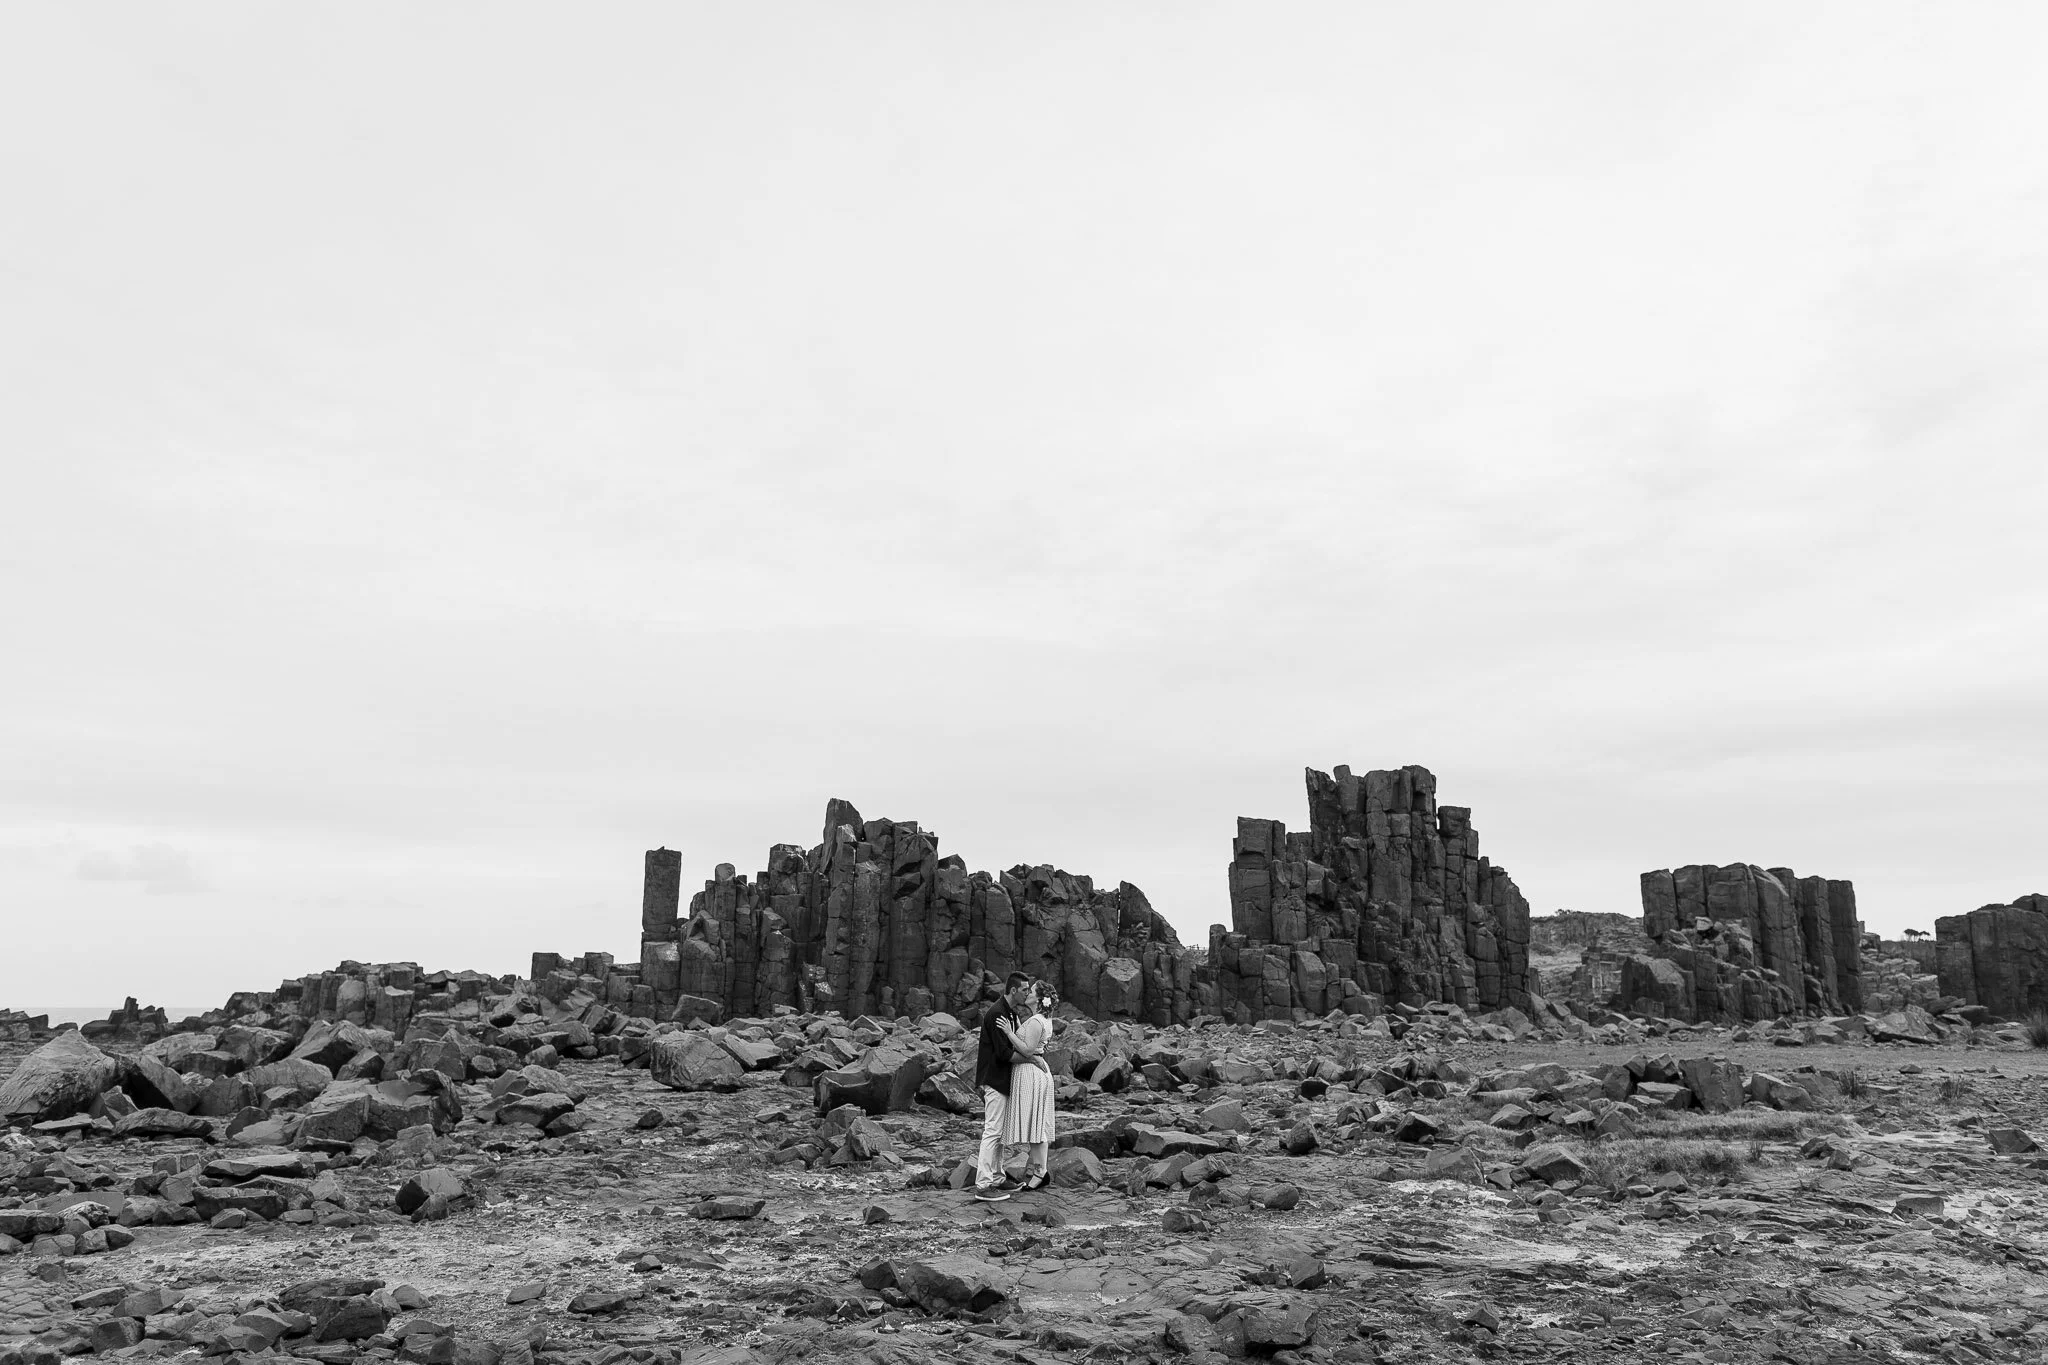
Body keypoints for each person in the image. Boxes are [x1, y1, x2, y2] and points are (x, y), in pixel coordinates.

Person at [971, 973, 1037, 1201]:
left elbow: (1017, 1040)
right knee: (992, 1131)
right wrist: (1032, 1059)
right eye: (1025, 989)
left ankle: (997, 1178)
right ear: (1013, 991)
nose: (1028, 993)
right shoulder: (997, 1013)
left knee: (999, 1133)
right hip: (995, 1079)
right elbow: (1004, 1053)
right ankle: (982, 1184)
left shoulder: (1010, 1012)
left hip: (1003, 1081)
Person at [999, 982, 1056, 1189]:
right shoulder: (1043, 1019)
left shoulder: (1036, 1021)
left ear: (1038, 998)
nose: (1027, 993)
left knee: (1037, 1126)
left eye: (1031, 991)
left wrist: (1008, 1032)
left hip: (1033, 1074)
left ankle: (1040, 1172)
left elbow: (1028, 1050)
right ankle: (1041, 1171)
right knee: (1036, 1124)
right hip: (1036, 1073)